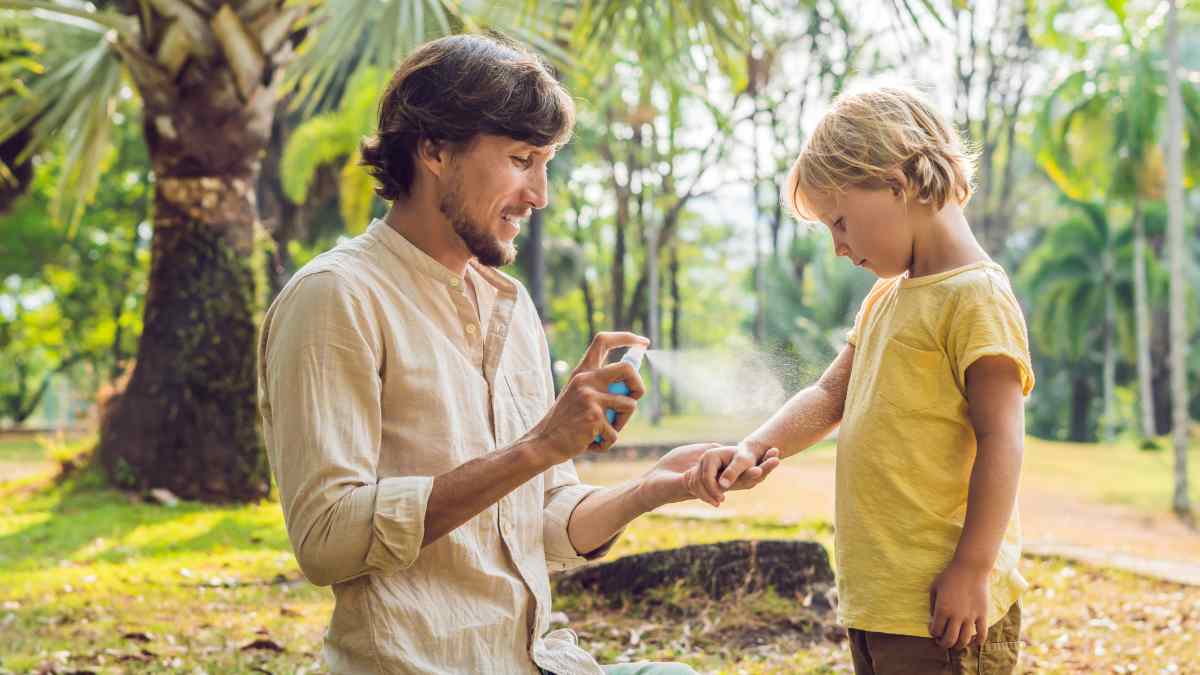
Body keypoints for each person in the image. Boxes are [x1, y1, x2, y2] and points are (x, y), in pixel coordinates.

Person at [257, 33, 780, 675]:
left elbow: (548, 525)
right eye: (521, 159)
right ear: (434, 150)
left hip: (537, 660)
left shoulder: (509, 306)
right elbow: (326, 541)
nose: (541, 195)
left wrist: (655, 487)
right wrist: (539, 446)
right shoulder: (336, 298)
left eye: (546, 163)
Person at [692, 85, 1034, 675]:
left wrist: (973, 569)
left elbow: (1004, 440)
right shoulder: (886, 297)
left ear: (898, 184)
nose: (839, 247)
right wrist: (755, 445)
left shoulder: (975, 298)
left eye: (841, 222)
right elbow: (829, 395)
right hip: (881, 598)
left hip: (944, 605)